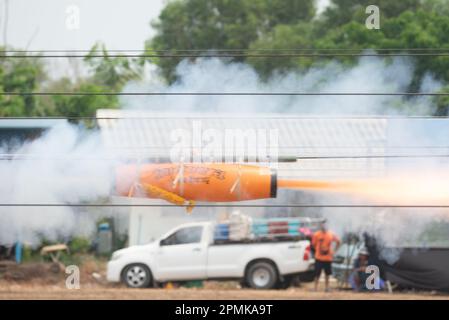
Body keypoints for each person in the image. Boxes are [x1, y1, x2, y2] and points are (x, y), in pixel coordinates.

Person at [311, 221, 340, 292]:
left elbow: (338, 241)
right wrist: (318, 250)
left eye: (325, 225)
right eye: (323, 225)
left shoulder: (330, 234)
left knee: (327, 274)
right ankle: (315, 288)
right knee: (317, 274)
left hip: (328, 258)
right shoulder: (316, 234)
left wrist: (334, 251)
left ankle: (327, 288)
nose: (324, 227)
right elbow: (313, 245)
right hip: (319, 258)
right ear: (321, 226)